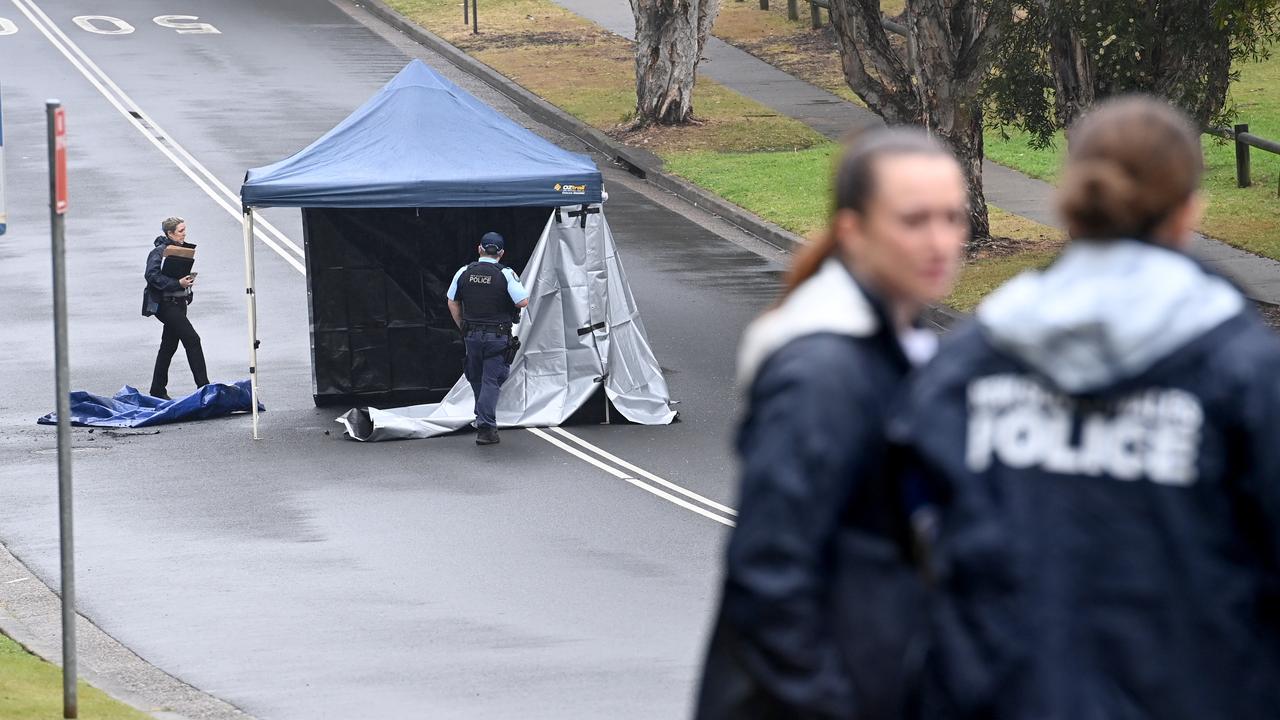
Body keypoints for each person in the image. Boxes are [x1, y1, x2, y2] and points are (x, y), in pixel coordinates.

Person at [893, 96, 1280, 719]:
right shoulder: (1241, 373)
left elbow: (895, 555)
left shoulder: (969, 364)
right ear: (1188, 212)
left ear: (1070, 199)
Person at [695, 128, 969, 720]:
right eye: (914, 220)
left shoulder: (902, 352)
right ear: (853, 231)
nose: (941, 241)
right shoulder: (822, 375)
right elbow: (768, 574)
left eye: (954, 218)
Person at [447, 231, 530, 446]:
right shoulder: (506, 273)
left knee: (476, 378)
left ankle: (482, 416)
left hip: (471, 335)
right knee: (491, 381)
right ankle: (485, 427)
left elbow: (452, 301)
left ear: (479, 249)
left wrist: (462, 326)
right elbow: (522, 301)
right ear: (501, 253)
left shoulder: (464, 272)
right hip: (497, 335)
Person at [143, 216, 208, 400]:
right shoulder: (158, 252)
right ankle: (204, 387)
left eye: (184, 229)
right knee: (193, 339)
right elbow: (151, 276)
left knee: (168, 346)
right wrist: (177, 283)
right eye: (180, 230)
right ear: (169, 233)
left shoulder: (183, 249)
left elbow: (180, 275)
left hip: (179, 303)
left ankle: (157, 389)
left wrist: (187, 284)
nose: (184, 233)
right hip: (165, 305)